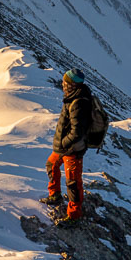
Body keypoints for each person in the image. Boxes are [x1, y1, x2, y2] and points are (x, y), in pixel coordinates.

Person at [42, 68, 92, 223]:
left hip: (72, 150)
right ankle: (55, 195)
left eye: (65, 82)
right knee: (52, 164)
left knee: (73, 183)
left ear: (71, 85)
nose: (63, 84)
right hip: (65, 148)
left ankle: (74, 216)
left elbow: (77, 132)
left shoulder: (78, 103)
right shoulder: (73, 97)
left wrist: (63, 143)